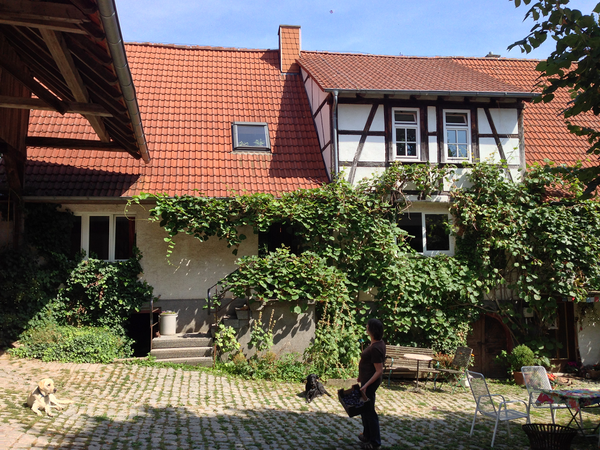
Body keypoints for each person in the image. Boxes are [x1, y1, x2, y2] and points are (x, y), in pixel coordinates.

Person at [357, 318, 386, 449]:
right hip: (366, 380)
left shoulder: (376, 348)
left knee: (369, 412)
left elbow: (379, 371)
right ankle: (367, 435)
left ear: (372, 330)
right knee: (365, 410)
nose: (366, 327)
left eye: (368, 326)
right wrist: (361, 376)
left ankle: (375, 442)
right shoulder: (376, 343)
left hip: (370, 383)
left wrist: (366, 385)